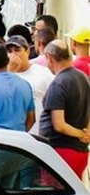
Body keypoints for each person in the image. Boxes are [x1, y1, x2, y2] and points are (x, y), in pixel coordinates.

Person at [39, 41, 90, 178]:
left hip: (61, 151)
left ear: (49, 58)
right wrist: (86, 133)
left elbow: (59, 125)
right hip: (80, 151)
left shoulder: (58, 84)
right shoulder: (83, 78)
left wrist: (81, 134)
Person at [5, 35, 54, 136]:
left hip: (40, 134)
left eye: (17, 50)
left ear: (27, 52)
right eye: (10, 51)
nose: (13, 54)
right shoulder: (4, 76)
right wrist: (10, 72)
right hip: (13, 135)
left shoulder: (43, 72)